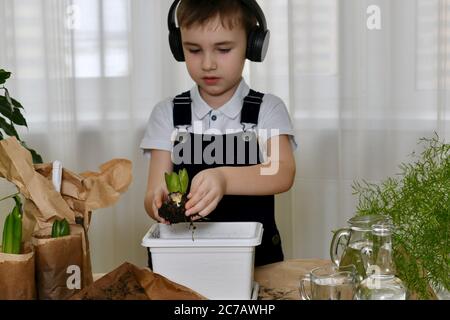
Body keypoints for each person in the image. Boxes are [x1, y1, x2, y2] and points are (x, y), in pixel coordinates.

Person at [140, 0, 297, 267]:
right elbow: (154, 189)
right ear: (179, 48)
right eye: (194, 50)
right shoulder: (167, 114)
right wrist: (157, 202)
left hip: (256, 263)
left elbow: (281, 171)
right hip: (183, 261)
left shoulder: (267, 109)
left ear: (252, 45)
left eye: (223, 49)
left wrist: (224, 178)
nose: (208, 64)